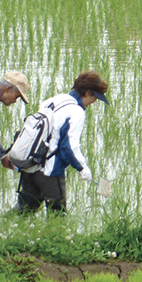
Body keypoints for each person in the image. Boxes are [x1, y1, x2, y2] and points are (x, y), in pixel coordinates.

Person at [15, 71, 109, 214]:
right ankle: (57, 237)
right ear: (88, 93)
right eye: (95, 97)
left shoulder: (54, 100)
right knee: (58, 214)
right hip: (50, 170)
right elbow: (69, 147)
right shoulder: (76, 112)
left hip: (31, 164)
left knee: (24, 211)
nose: (94, 102)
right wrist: (82, 168)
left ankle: (0, 231)